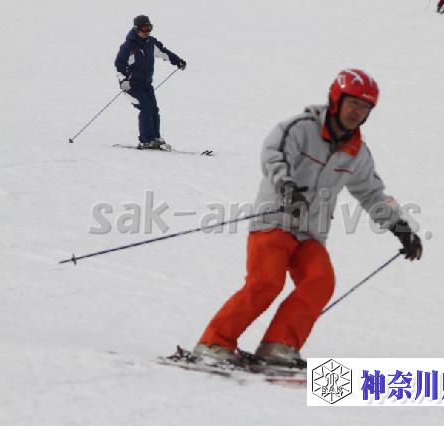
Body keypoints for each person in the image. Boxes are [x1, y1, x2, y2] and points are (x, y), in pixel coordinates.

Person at [192, 69, 423, 367]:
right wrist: (287, 188)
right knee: (266, 282)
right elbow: (274, 155)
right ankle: (214, 343)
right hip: (275, 221)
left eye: (366, 107)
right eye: (354, 103)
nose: (358, 112)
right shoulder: (301, 128)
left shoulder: (357, 153)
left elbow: (371, 193)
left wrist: (400, 227)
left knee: (320, 281)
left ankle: (278, 346)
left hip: (311, 233)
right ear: (336, 99)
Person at [115, 15, 186, 149]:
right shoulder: (128, 46)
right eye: (144, 29)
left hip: (146, 84)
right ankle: (146, 140)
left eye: (149, 28)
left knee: (154, 109)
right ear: (136, 29)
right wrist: (123, 80)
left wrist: (178, 61)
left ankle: (155, 138)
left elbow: (164, 52)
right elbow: (120, 65)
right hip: (131, 86)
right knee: (146, 108)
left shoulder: (150, 43)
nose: (147, 31)